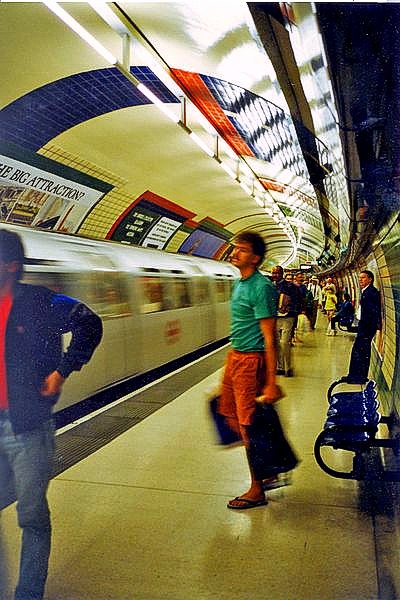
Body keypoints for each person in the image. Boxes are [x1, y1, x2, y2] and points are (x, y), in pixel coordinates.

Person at [0, 229, 103, 600]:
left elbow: (89, 322)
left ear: (10, 267)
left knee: (30, 516)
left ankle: (28, 593)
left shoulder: (39, 303)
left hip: (28, 425)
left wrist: (62, 370)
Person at [218, 231, 283, 510]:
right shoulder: (241, 283)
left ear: (255, 258)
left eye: (242, 250)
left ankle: (257, 488)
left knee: (249, 427)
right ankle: (268, 471)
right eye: (235, 248)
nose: (235, 253)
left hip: (251, 362)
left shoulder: (261, 287)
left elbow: (270, 338)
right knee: (225, 413)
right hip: (236, 358)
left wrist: (271, 382)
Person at [342, 270, 381, 384]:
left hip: (367, 327)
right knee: (357, 351)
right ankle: (354, 375)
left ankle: (359, 377)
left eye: (363, 278)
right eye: (359, 278)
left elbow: (373, 312)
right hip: (364, 326)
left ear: (370, 279)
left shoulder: (371, 293)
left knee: (362, 352)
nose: (360, 280)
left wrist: (368, 328)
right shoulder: (366, 292)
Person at [271, 265, 298, 377]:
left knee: (284, 343)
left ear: (282, 274)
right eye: (273, 273)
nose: (275, 275)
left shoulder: (290, 286)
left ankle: (288, 367)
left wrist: (289, 308)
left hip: (287, 317)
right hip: (275, 317)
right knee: (277, 343)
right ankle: (280, 367)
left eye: (277, 273)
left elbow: (298, 301)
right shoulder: (270, 286)